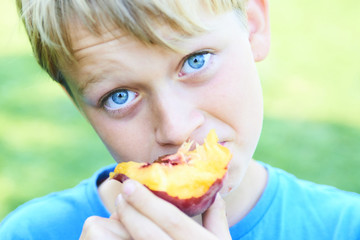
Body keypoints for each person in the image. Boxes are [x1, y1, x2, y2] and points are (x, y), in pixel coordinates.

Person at [1, 0, 359, 239]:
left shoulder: (344, 227)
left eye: (196, 60)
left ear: (252, 26)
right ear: (80, 105)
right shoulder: (29, 234)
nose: (176, 128)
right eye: (119, 97)